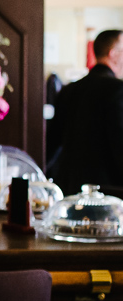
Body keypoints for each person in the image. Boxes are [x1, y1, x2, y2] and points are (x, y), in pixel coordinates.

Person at [46, 29, 123, 195]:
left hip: (69, 188)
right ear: (114, 54)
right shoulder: (118, 89)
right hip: (106, 193)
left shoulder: (69, 90)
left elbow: (51, 143)